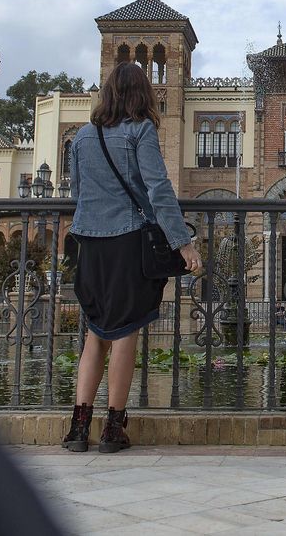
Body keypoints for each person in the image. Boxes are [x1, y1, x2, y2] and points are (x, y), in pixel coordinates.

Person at [63, 62, 201, 453]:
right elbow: (158, 188)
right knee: (124, 334)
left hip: (89, 243)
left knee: (95, 334)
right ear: (143, 93)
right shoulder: (141, 130)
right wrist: (182, 243)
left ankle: (78, 428)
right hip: (126, 242)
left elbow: (78, 192)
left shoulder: (84, 136)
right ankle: (112, 428)